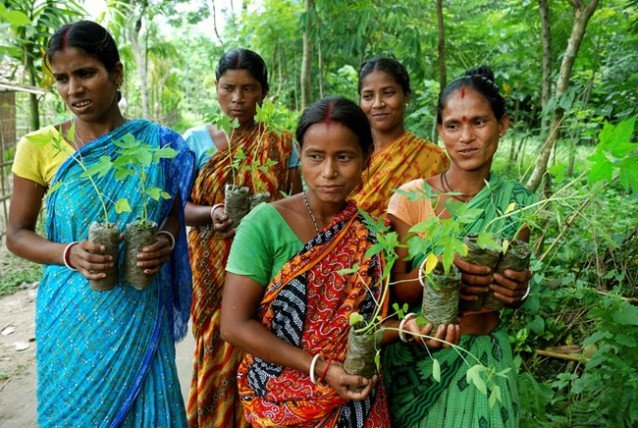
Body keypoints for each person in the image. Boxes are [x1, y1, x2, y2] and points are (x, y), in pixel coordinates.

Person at [6, 20, 194, 426]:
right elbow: (17, 235)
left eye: (86, 73)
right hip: (71, 314)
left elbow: (174, 215)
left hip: (140, 307)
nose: (73, 89)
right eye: (62, 78)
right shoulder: (38, 147)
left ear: (116, 72)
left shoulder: (156, 145)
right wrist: (70, 253)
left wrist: (165, 238)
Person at [220, 97, 391, 426]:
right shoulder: (264, 224)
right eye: (315, 157)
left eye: (344, 157)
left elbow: (368, 326)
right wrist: (321, 368)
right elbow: (234, 325)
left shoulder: (370, 233)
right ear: (299, 152)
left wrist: (410, 328)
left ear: (367, 157)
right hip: (280, 401)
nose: (329, 172)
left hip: (356, 397)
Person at [383, 66, 535, 427]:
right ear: (440, 132)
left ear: (503, 124)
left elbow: (515, 283)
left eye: (479, 122)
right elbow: (390, 293)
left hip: (486, 365)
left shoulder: (518, 202)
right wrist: (431, 272)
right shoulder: (411, 199)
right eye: (453, 125)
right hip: (419, 361)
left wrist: (520, 289)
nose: (466, 137)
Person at [184, 48, 302, 427]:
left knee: (263, 339)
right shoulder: (196, 142)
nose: (237, 99)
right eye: (228, 88)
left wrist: (264, 215)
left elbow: (298, 204)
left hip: (265, 265)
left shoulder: (282, 145)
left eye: (248, 88)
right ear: (216, 90)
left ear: (263, 92)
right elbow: (178, 207)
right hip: (210, 265)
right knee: (216, 340)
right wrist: (211, 213)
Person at [351, 57, 449, 218]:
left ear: (406, 96)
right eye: (368, 96)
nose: (377, 104)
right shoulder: (346, 154)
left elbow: (441, 218)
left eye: (388, 93)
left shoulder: (433, 158)